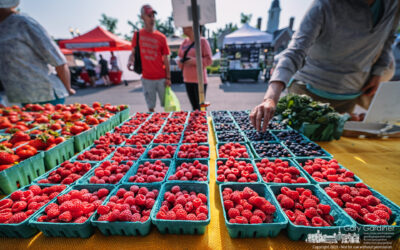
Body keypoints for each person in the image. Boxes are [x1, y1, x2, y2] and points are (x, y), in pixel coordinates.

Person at [250, 0, 399, 131]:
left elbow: (388, 38)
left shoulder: (394, 4)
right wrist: (270, 97)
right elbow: (295, 51)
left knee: (335, 150)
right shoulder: (324, 4)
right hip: (308, 93)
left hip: (350, 93)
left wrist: (378, 72)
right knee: (307, 148)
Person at [0, 0, 75, 105]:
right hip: (17, 98)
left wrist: (68, 88)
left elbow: (57, 59)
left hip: (45, 95)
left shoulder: (23, 22)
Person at [127, 4, 171, 112]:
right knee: (150, 107)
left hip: (161, 77)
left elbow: (166, 58)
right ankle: (153, 127)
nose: (152, 18)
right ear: (142, 17)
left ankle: (167, 127)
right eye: (149, 16)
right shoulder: (137, 35)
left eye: (153, 16)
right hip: (147, 78)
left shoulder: (161, 37)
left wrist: (168, 77)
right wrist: (130, 60)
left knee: (167, 106)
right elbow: (133, 52)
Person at [178, 26, 212, 110]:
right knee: (194, 108)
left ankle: (203, 122)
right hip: (187, 79)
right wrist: (181, 61)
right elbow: (179, 57)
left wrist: (193, 61)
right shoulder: (184, 42)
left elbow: (209, 60)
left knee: (201, 108)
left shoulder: (202, 41)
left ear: (191, 27)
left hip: (199, 81)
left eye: (185, 26)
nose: (182, 27)